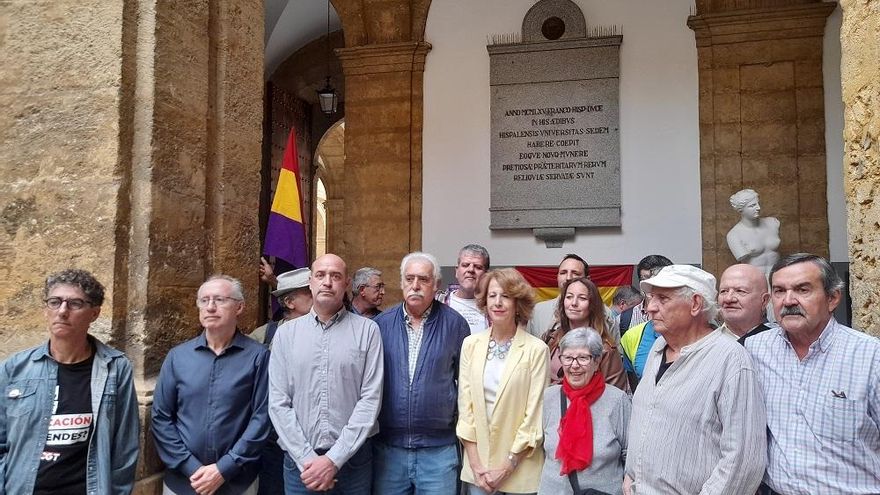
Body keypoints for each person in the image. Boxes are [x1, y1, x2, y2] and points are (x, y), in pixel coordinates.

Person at [624, 265, 766, 495]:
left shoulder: (731, 360)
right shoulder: (657, 349)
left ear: (696, 304)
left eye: (663, 298)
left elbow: (743, 461)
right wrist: (630, 475)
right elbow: (646, 420)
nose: (650, 308)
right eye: (651, 298)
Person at [745, 253, 880, 495]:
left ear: (832, 298)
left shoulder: (870, 356)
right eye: (779, 291)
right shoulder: (756, 349)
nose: (788, 300)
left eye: (802, 289)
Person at [0, 269, 139, 494]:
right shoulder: (15, 368)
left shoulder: (115, 368)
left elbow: (124, 449)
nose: (62, 311)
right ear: (46, 310)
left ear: (94, 313)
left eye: (75, 303)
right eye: (55, 302)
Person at [269, 254, 383, 494]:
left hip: (352, 462)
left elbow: (370, 400)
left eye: (336, 276)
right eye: (320, 275)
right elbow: (278, 403)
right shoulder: (285, 335)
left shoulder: (368, 331)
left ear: (347, 284)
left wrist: (333, 460)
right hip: (301, 463)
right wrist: (307, 459)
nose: (327, 282)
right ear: (311, 282)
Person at [152, 275, 270, 495]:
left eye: (219, 300)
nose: (210, 307)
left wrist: (224, 469)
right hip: (184, 482)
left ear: (240, 307)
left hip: (237, 482)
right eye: (204, 300)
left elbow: (261, 418)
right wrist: (191, 468)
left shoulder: (259, 357)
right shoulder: (178, 357)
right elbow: (161, 417)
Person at [372, 252, 471, 494]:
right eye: (409, 278)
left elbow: (466, 385)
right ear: (401, 282)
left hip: (439, 451)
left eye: (423, 279)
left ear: (436, 285)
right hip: (389, 450)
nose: (415, 285)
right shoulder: (381, 325)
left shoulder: (455, 324)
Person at [457, 268, 549, 495]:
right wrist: (477, 466)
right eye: (492, 295)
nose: (498, 302)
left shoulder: (536, 349)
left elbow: (534, 415)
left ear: (518, 303)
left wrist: (507, 467)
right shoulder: (471, 344)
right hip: (479, 470)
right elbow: (465, 409)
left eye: (506, 296)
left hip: (521, 467)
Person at [539, 328, 631, 495]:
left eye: (583, 358)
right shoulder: (550, 397)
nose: (574, 365)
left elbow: (630, 456)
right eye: (567, 358)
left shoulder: (617, 401)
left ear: (596, 362)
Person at [543, 277, 627, 390]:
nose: (573, 303)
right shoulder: (550, 338)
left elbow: (614, 398)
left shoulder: (606, 349)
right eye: (569, 297)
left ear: (592, 305)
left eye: (582, 298)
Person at [527, 254, 617, 344]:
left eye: (575, 273)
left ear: (587, 279)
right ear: (557, 277)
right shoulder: (537, 312)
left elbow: (614, 352)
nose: (568, 278)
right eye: (563, 273)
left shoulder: (604, 313)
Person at [249, 267, 312, 347]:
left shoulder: (326, 329)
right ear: (289, 302)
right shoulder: (265, 334)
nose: (318, 296)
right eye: (310, 292)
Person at [726, 188, 780, 277]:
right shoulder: (734, 235)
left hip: (777, 279)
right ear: (741, 210)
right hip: (754, 280)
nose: (758, 208)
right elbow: (741, 257)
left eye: (758, 204)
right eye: (752, 206)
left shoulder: (773, 223)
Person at [437, 244, 491, 333]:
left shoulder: (494, 306)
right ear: (457, 271)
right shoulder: (438, 302)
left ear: (486, 275)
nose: (471, 270)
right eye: (465, 265)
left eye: (478, 267)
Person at [717, 263, 772, 344]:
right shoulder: (706, 343)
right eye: (724, 291)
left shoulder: (781, 344)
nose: (728, 299)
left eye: (740, 291)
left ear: (764, 300)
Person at [625, 255, 673, 330]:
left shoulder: (680, 314)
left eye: (656, 279)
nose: (651, 284)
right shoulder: (625, 319)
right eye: (646, 279)